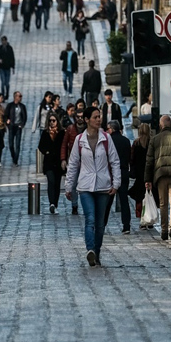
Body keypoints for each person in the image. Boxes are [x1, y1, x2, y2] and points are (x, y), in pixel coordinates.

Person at [65, 106, 121, 266]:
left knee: (100, 223)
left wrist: (116, 183)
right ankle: (90, 249)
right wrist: (69, 186)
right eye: (95, 117)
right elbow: (73, 164)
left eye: (99, 117)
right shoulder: (79, 140)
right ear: (88, 119)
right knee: (90, 218)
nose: (99, 119)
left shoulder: (106, 138)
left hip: (103, 185)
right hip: (85, 187)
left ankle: (97, 251)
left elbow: (114, 161)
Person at [107, 120, 133, 234]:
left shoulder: (108, 141)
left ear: (111, 129)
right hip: (123, 172)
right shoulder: (126, 141)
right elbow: (129, 157)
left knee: (107, 201)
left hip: (111, 173)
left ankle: (102, 224)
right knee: (124, 201)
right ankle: (126, 225)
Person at [38, 113, 67, 213]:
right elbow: (40, 146)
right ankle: (52, 203)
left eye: (54, 120)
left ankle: (55, 204)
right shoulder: (46, 133)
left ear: (57, 121)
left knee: (57, 184)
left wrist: (64, 159)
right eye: (50, 120)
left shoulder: (62, 132)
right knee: (51, 181)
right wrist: (46, 151)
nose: (52, 122)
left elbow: (64, 145)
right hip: (49, 162)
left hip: (58, 162)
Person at [128, 123, 153, 226]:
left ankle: (141, 215)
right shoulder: (151, 142)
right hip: (150, 171)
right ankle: (150, 216)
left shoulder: (136, 143)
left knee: (139, 195)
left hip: (139, 172)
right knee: (150, 194)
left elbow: (132, 158)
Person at [6, 91, 29, 166]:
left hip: (18, 127)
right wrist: (7, 121)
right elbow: (6, 115)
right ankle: (13, 157)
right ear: (15, 97)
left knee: (18, 145)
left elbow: (24, 117)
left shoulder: (22, 106)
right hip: (12, 127)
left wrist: (22, 124)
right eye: (19, 96)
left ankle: (15, 160)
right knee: (11, 144)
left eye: (21, 96)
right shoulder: (10, 105)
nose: (20, 98)